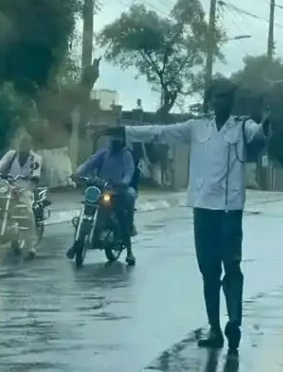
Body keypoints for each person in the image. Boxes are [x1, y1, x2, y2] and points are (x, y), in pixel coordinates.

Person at [102, 77, 270, 358]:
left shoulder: (241, 127)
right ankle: (215, 328)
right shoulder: (196, 127)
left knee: (232, 266)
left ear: (232, 100)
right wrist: (125, 130)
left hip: (230, 209)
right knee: (208, 270)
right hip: (203, 208)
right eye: (217, 96)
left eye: (227, 96)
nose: (222, 101)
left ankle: (234, 323)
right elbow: (161, 133)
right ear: (210, 99)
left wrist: (265, 124)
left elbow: (258, 135)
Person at [67, 136, 137, 265]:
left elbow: (129, 171)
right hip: (100, 188)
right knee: (88, 207)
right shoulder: (104, 153)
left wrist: (124, 182)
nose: (115, 142)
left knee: (122, 216)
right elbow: (89, 163)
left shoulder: (126, 155)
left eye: (117, 140)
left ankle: (129, 252)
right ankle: (76, 243)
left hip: (117, 191)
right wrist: (77, 173)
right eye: (113, 140)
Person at [0, 133, 43, 259]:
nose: (23, 146)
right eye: (21, 143)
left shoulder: (36, 159)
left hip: (25, 189)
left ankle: (31, 247)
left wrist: (25, 186)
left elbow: (35, 177)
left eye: (26, 144)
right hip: (9, 187)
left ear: (30, 146)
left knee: (28, 214)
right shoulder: (11, 155)